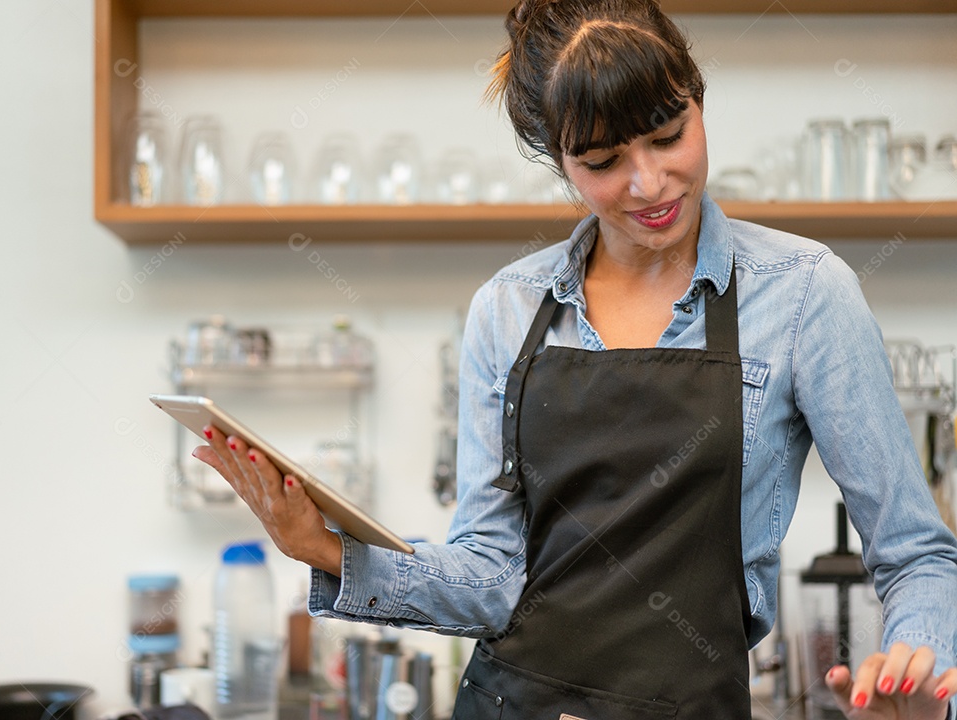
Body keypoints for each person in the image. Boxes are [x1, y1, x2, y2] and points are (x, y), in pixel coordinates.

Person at [192, 0, 957, 716]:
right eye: (603, 160)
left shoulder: (803, 294)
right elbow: (491, 575)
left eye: (668, 135)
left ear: (697, 97)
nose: (650, 183)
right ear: (558, 162)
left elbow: (915, 551)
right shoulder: (508, 308)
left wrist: (915, 671)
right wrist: (326, 548)